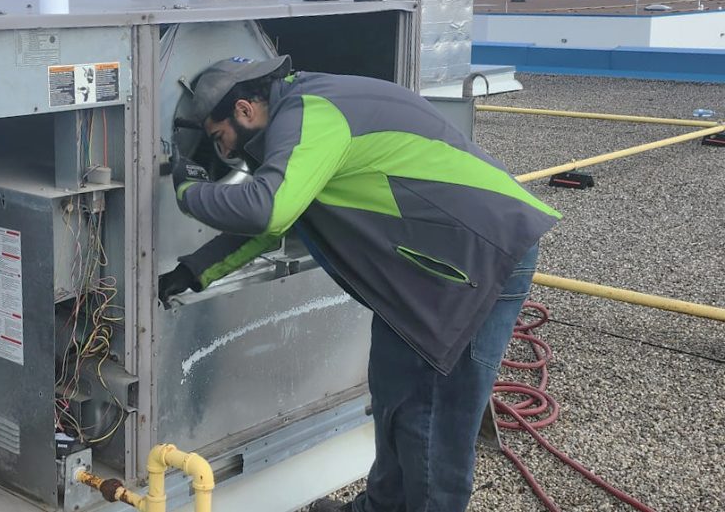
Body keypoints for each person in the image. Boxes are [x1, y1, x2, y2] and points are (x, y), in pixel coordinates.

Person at [159, 54, 561, 512]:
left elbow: (267, 210)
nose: (223, 153)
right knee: (395, 396)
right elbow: (274, 225)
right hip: (427, 272)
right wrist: (194, 271)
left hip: (474, 262)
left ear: (245, 110)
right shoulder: (309, 105)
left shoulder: (311, 112)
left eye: (220, 138)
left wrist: (189, 193)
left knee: (433, 421)